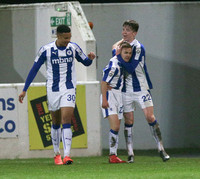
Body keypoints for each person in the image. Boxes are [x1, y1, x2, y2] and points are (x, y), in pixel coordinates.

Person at [18, 25, 95, 165]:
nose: (68, 40)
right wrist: (25, 89)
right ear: (58, 36)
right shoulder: (46, 50)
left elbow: (86, 62)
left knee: (67, 120)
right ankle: (56, 154)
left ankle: (67, 156)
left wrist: (90, 58)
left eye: (69, 37)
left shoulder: (73, 48)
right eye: (66, 38)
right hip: (53, 90)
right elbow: (34, 69)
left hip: (69, 88)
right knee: (55, 122)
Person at [112, 20, 170, 163]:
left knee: (150, 117)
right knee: (129, 120)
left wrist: (117, 53)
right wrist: (117, 51)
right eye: (123, 29)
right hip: (125, 90)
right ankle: (130, 153)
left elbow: (130, 68)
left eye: (128, 30)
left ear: (135, 33)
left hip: (141, 88)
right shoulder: (121, 46)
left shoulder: (138, 47)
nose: (124, 32)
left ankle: (161, 149)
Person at [101, 41, 132, 163]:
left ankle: (113, 155)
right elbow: (104, 82)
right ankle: (112, 155)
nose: (128, 55)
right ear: (120, 52)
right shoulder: (114, 65)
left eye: (129, 53)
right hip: (110, 95)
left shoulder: (120, 59)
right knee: (115, 126)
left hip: (118, 95)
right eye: (126, 52)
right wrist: (104, 99)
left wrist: (125, 39)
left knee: (117, 127)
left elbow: (114, 46)